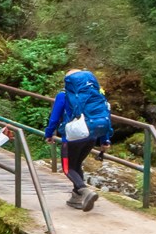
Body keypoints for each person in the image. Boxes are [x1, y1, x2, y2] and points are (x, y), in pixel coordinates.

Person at [43, 69, 114, 211]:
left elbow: (55, 118)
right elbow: (104, 115)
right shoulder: (96, 95)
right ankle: (77, 198)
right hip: (92, 136)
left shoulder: (63, 95)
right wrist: (105, 139)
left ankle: (85, 191)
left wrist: (49, 133)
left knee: (68, 168)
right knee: (77, 164)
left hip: (73, 137)